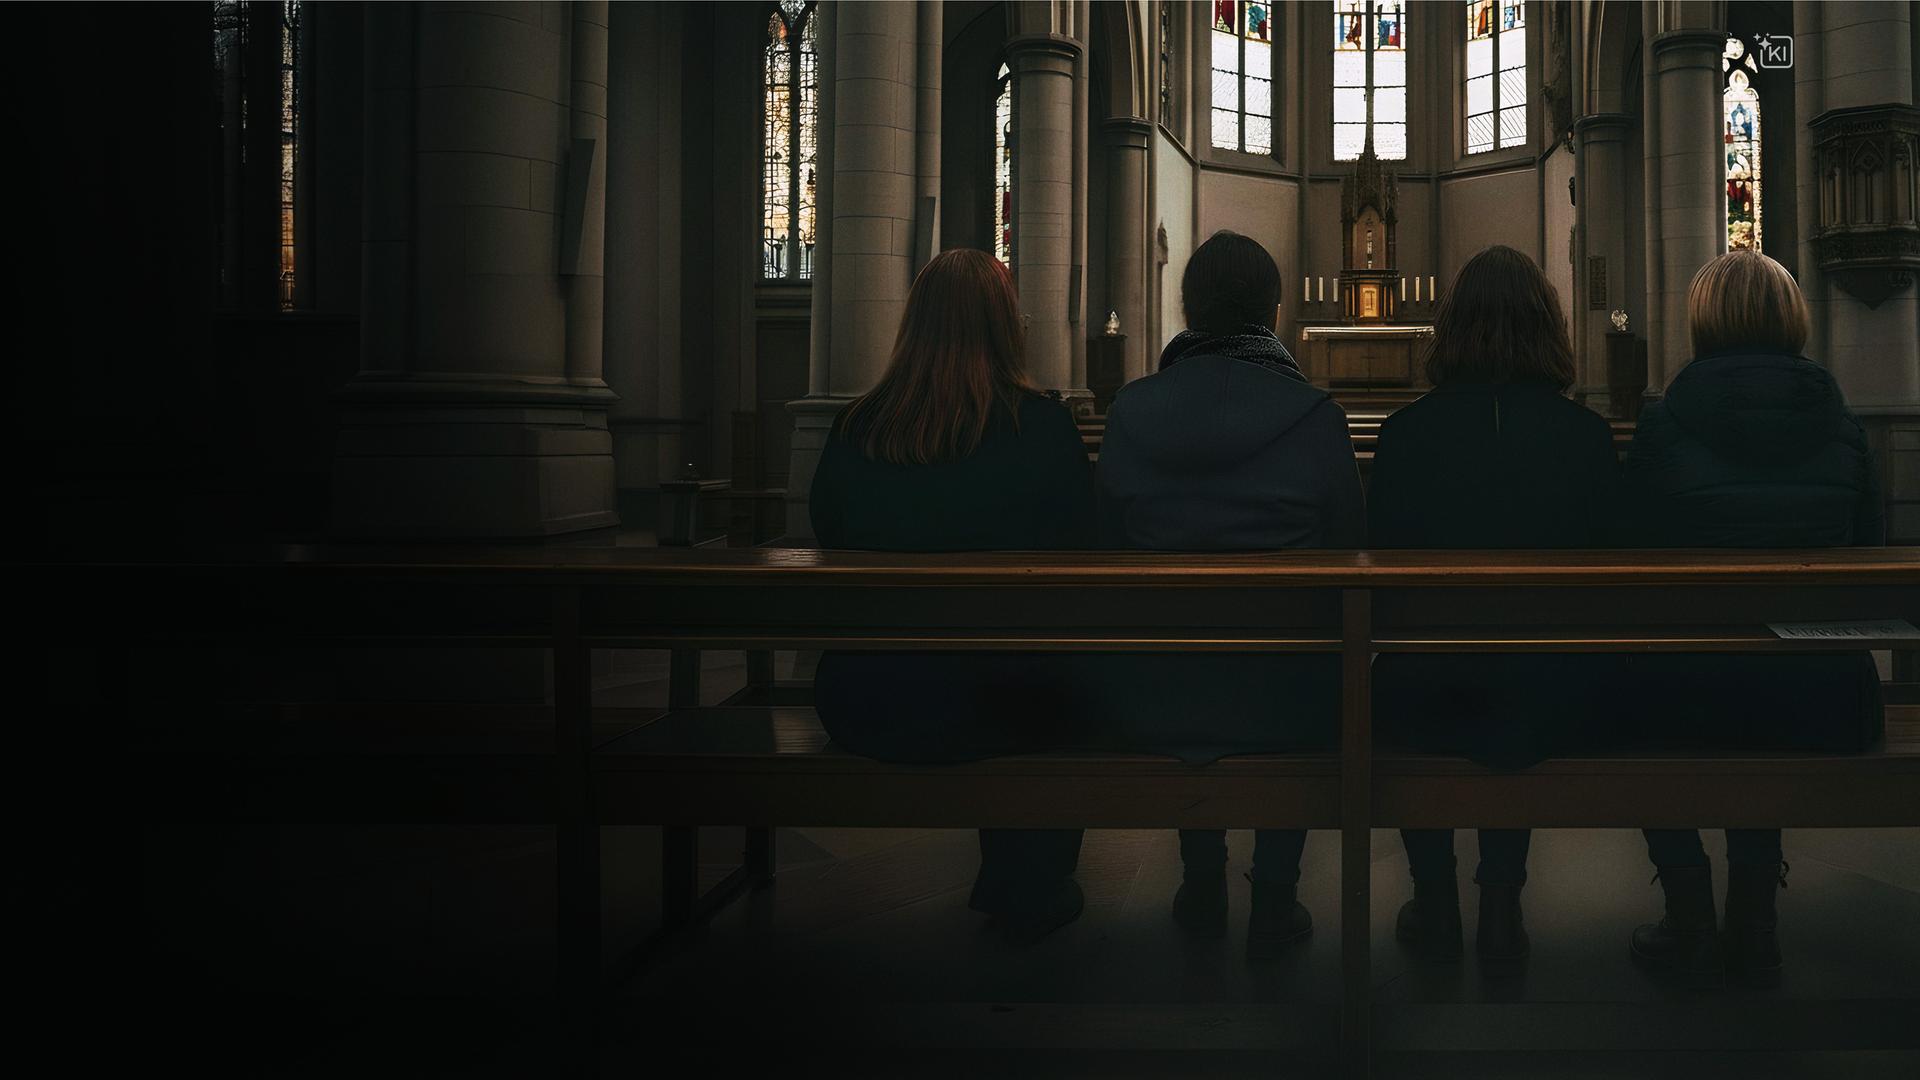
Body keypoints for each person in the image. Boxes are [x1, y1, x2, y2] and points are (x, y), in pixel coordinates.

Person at [809, 249, 1097, 946]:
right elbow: (1080, 555)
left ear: (913, 324)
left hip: (868, 698)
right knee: (1059, 676)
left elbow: (826, 530)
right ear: (1008, 327)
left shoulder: (853, 430)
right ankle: (1026, 883)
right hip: (1009, 705)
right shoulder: (1043, 429)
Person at [1091, 230, 1365, 959]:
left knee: (1182, 647)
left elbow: (1105, 544)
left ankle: (1202, 881)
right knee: (1301, 654)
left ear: (1189, 310)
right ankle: (1275, 895)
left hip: (1150, 689)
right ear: (1274, 313)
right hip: (1288, 695)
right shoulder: (1314, 416)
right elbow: (1349, 548)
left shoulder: (1130, 410)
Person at [1620, 249, 1885, 986]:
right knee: (1772, 667)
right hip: (1823, 692)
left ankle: (1689, 909)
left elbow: (1629, 553)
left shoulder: (1665, 424)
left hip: (1685, 693)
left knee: (1630, 699)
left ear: (1702, 321)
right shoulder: (1843, 427)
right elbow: (1873, 550)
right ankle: (1754, 918)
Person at [1368, 246, 1621, 967]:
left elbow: (1381, 567)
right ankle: (1502, 901)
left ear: (1452, 327)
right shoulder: (1587, 438)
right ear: (1549, 326)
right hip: (1561, 692)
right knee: (1525, 668)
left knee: (1424, 678)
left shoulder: (1404, 436)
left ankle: (1437, 898)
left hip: (1429, 690)